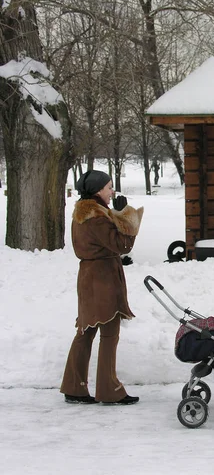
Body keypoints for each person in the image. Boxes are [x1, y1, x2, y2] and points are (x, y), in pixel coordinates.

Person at [60, 170, 144, 405]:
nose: (112, 191)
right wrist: (126, 216)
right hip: (102, 280)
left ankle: (74, 387)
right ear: (98, 190)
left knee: (86, 331)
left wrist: (114, 213)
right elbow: (121, 244)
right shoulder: (97, 217)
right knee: (109, 334)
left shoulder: (83, 213)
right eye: (109, 187)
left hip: (90, 277)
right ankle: (109, 390)